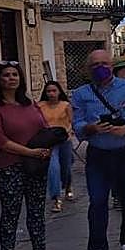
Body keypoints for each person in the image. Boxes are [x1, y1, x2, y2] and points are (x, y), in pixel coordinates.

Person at [0, 62, 65, 250]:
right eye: (6, 75)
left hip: (35, 165)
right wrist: (32, 152)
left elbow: (43, 128)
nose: (11, 78)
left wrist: (46, 147)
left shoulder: (30, 104)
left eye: (15, 75)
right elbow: (0, 141)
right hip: (9, 166)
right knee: (11, 213)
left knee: (36, 210)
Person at [72, 50, 125, 250]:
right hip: (98, 153)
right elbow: (77, 123)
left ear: (112, 65)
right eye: (95, 64)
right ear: (87, 70)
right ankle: (97, 249)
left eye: (104, 63)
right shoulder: (80, 93)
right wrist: (91, 127)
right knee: (97, 201)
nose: (100, 67)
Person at [38, 81, 74, 213]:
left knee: (66, 168)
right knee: (53, 168)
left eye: (54, 91)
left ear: (59, 92)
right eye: (49, 91)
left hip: (64, 140)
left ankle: (68, 186)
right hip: (48, 142)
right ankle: (56, 198)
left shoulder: (66, 105)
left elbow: (71, 122)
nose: (52, 94)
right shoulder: (40, 106)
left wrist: (67, 132)